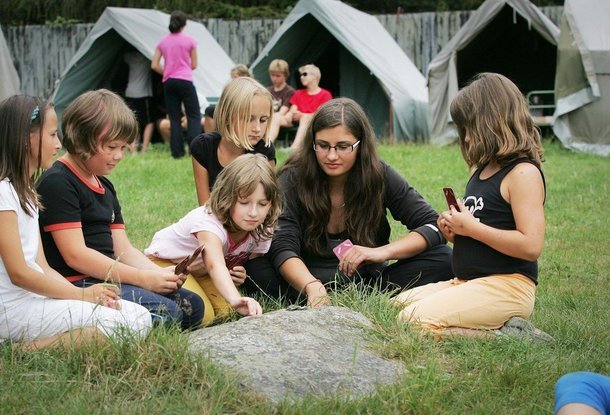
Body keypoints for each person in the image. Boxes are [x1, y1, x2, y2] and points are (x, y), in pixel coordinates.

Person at [242, 98, 453, 307]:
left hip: (367, 280)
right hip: (302, 279)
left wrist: (380, 252)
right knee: (257, 266)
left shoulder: (379, 174)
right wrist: (311, 286)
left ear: (361, 145)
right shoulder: (292, 178)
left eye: (343, 146)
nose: (332, 156)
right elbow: (282, 245)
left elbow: (434, 225)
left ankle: (366, 295)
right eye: (323, 146)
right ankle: (310, 296)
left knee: (445, 257)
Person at [393, 73, 547, 340]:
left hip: (507, 285)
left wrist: (473, 229)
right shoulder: (482, 171)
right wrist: (457, 231)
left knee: (412, 321)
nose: (465, 139)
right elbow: (486, 231)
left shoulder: (523, 173)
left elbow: (530, 246)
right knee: (393, 307)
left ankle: (509, 336)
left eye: (469, 128)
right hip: (468, 282)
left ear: (492, 123)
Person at [37, 89, 204, 330]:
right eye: (111, 147)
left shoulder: (104, 185)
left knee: (193, 307)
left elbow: (123, 248)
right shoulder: (58, 182)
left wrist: (158, 274)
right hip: (78, 284)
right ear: (82, 138)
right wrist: (141, 278)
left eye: (124, 148)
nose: (118, 156)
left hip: (109, 277)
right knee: (169, 314)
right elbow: (75, 255)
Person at [0, 95, 151, 350]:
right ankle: (19, 351)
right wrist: (80, 295)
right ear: (28, 139)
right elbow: (19, 274)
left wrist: (88, 298)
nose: (58, 144)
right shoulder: (4, 193)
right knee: (125, 325)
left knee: (140, 317)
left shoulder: (26, 192)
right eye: (51, 135)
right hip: (12, 308)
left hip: (36, 298)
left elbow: (42, 267)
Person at [145, 154, 278, 324]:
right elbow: (214, 263)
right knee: (204, 316)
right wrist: (234, 298)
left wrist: (239, 273)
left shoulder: (262, 225)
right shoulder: (209, 222)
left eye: (262, 203)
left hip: (202, 272)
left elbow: (249, 259)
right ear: (227, 197)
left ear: (271, 203)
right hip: (167, 265)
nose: (253, 212)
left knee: (227, 314)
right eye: (244, 202)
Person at [190, 77, 276, 206]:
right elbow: (204, 208)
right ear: (228, 116)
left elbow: (267, 204)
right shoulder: (203, 147)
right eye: (248, 119)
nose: (257, 128)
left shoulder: (265, 151)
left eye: (263, 120)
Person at [151, 10, 201, 159]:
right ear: (184, 24)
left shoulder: (163, 42)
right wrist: (183, 69)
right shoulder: (190, 41)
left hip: (169, 82)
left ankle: (177, 152)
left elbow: (154, 65)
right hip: (185, 80)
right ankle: (195, 151)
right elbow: (194, 64)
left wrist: (167, 71)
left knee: (174, 118)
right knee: (194, 115)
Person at [285, 64, 332, 150]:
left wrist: (302, 115)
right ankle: (265, 146)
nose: (301, 77)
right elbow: (293, 108)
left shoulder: (325, 95)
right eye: (301, 75)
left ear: (314, 76)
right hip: (296, 120)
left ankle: (294, 148)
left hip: (315, 123)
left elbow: (323, 114)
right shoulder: (298, 93)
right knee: (276, 117)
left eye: (305, 74)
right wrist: (290, 114)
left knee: (305, 117)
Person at [203, 64, 252, 134]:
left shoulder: (250, 87)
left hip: (242, 110)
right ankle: (209, 138)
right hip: (230, 109)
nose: (233, 80)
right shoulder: (232, 86)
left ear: (244, 76)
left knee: (213, 111)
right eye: (232, 78)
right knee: (210, 110)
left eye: (235, 77)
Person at [123, 45, 154, 153]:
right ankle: (144, 149)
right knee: (149, 122)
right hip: (143, 94)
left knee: (132, 122)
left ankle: (133, 150)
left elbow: (123, 56)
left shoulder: (129, 57)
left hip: (130, 93)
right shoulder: (147, 58)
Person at [265, 59, 296, 143]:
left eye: (278, 76)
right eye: (272, 75)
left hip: (285, 119)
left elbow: (283, 111)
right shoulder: (267, 90)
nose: (274, 78)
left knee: (276, 117)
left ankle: (268, 143)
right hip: (270, 117)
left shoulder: (289, 91)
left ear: (285, 75)